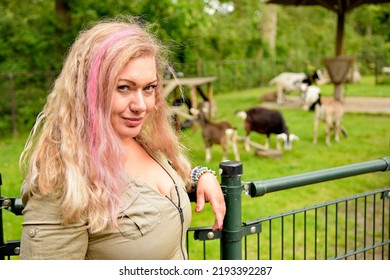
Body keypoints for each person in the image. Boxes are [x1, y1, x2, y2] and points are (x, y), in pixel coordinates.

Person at [18, 17, 225, 260]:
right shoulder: (64, 180)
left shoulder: (142, 140)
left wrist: (201, 175)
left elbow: (153, 186)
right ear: (87, 90)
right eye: (124, 88)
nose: (141, 106)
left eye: (149, 88)